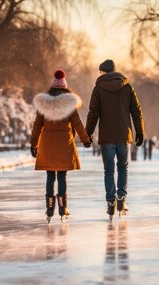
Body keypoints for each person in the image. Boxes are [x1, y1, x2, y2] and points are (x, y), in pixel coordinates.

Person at [86, 59, 144, 221]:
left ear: (103, 72)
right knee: (123, 167)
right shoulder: (127, 87)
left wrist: (87, 134)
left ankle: (110, 201)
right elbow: (137, 112)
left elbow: (93, 113)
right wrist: (140, 132)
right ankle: (121, 199)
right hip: (123, 136)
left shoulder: (98, 89)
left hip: (106, 137)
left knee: (109, 170)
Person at [30, 69, 92, 223]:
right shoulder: (69, 104)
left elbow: (37, 125)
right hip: (65, 143)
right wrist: (85, 140)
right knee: (62, 176)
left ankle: (50, 207)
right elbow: (77, 123)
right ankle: (63, 207)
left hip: (47, 144)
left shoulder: (44, 104)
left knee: (50, 176)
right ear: (65, 87)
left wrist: (33, 143)